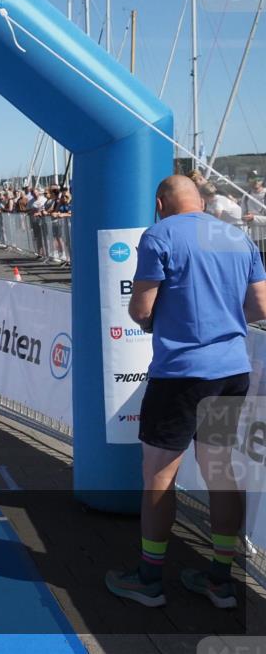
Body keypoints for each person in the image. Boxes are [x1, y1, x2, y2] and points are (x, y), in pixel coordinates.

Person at [106, 175, 266, 609]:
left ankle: (150, 579)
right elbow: (260, 307)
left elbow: (141, 308)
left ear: (161, 203)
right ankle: (220, 581)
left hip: (181, 374)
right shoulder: (237, 237)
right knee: (221, 472)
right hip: (232, 370)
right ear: (202, 201)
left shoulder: (159, 235)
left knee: (159, 474)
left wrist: (163, 322)